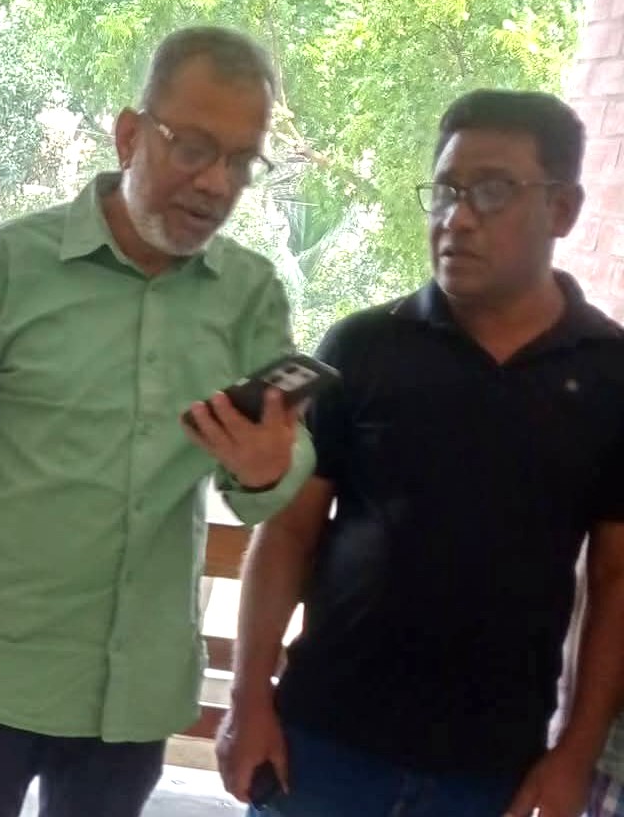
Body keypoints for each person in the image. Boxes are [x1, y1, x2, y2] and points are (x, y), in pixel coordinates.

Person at [0, 25, 316, 817]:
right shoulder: (9, 265)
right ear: (130, 134)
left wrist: (269, 468)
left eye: (242, 161)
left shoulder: (250, 295)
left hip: (136, 694)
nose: (216, 183)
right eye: (194, 149)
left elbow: (269, 476)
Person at [219, 90, 624, 817]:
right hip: (320, 748)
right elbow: (288, 532)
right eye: (445, 191)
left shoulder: (610, 375)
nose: (457, 218)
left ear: (562, 209)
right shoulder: (364, 347)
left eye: (492, 191)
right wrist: (248, 701)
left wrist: (574, 755)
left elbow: (617, 579)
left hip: (490, 773)